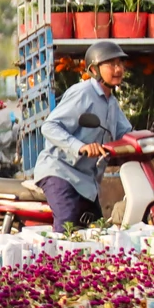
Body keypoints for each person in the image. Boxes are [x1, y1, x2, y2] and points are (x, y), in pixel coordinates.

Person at [31, 38, 134, 232]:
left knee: (99, 231)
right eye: (112, 64)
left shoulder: (111, 102)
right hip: (60, 172)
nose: (118, 69)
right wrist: (80, 146)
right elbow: (50, 126)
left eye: (121, 64)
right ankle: (57, 261)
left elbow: (126, 133)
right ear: (94, 70)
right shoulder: (83, 93)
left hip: (87, 182)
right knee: (67, 225)